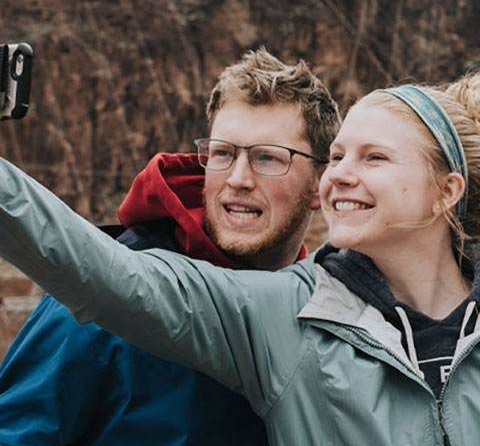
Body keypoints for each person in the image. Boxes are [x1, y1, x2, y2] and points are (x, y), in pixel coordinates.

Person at [1, 71, 479, 445]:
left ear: (445, 192)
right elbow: (103, 274)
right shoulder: (287, 316)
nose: (342, 176)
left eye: (374, 158)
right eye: (338, 157)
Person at [0, 48, 340, 445]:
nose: (238, 179)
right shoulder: (101, 299)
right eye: (223, 154)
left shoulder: (332, 316)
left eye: (267, 158)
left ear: (321, 184)